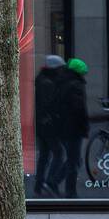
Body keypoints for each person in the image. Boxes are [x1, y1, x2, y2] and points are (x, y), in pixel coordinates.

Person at [32, 55, 71, 196]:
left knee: (44, 155)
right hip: (48, 125)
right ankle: (50, 182)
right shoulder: (48, 83)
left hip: (42, 124)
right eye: (60, 68)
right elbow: (50, 105)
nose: (62, 71)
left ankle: (39, 185)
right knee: (58, 153)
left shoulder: (42, 80)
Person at [58, 58, 90, 198]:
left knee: (73, 159)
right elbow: (79, 109)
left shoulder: (63, 81)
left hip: (64, 126)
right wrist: (85, 126)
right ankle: (70, 192)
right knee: (74, 160)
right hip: (73, 128)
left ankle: (54, 181)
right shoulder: (76, 85)